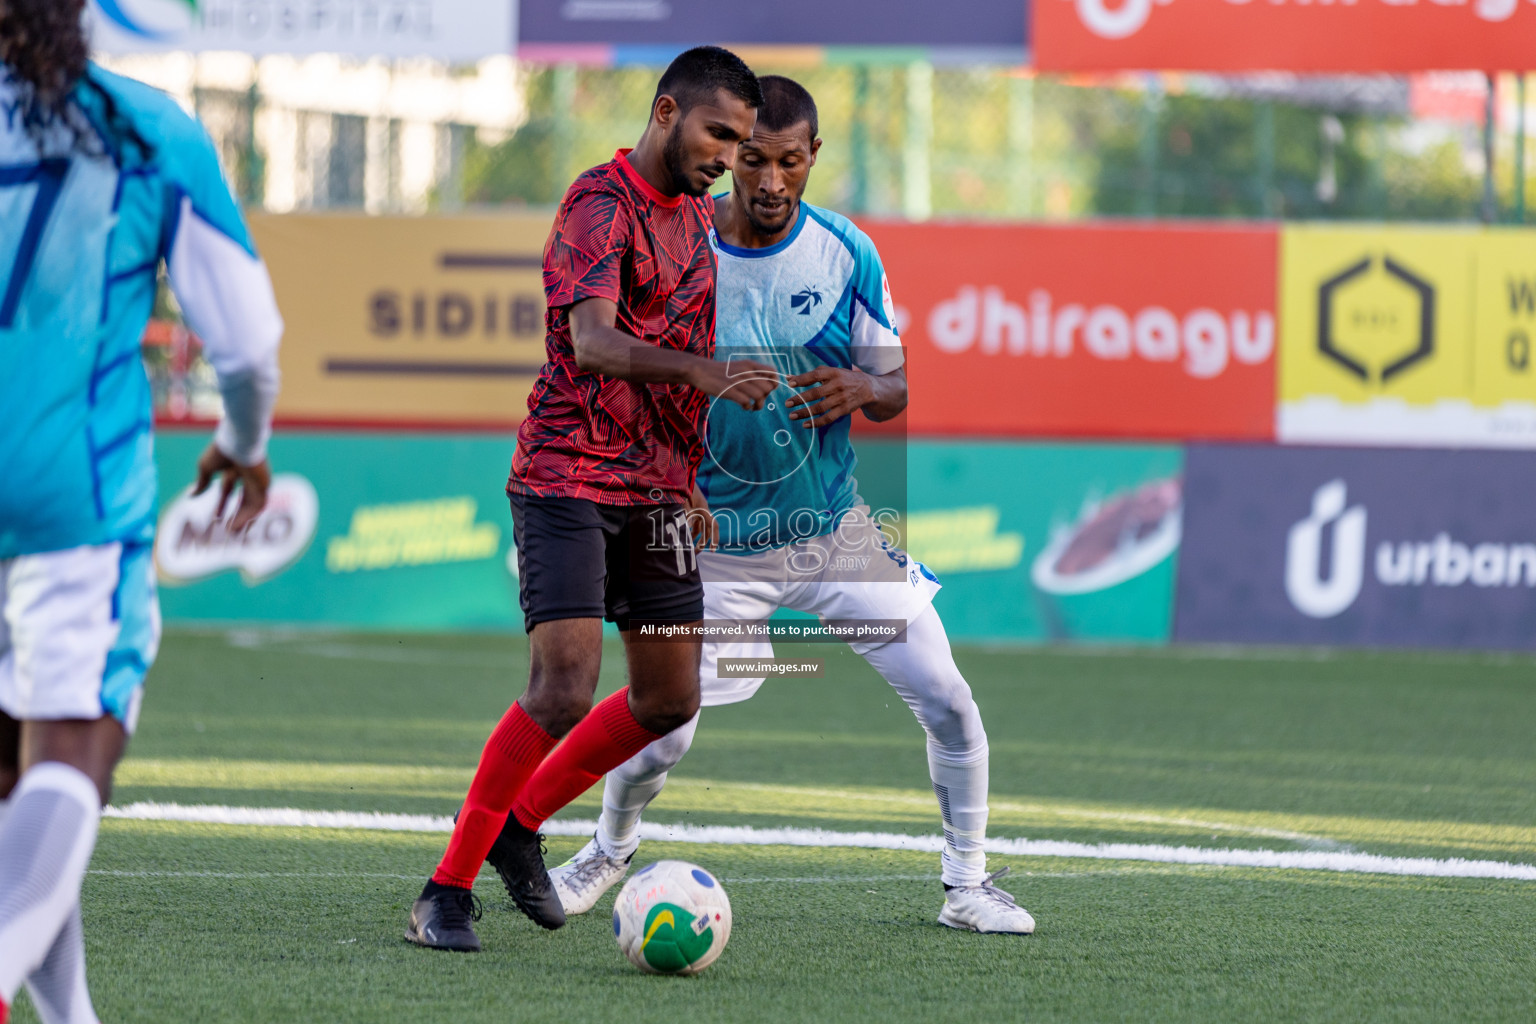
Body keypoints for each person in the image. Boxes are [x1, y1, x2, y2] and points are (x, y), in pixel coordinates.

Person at [545, 76, 1036, 935]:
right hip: (712, 543)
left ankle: (967, 887)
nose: (772, 180)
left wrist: (863, 385)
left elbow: (896, 386)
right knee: (662, 734)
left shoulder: (847, 252)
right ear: (730, 154)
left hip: (831, 534)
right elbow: (629, 372)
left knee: (950, 699)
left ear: (814, 158)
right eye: (754, 159)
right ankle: (604, 853)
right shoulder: (682, 250)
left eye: (790, 161)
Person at [405, 46, 776, 953]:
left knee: (667, 699)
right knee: (563, 685)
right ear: (665, 112)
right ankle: (443, 892)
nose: (729, 156)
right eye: (718, 133)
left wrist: (687, 479)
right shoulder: (596, 204)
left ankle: (518, 826)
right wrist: (707, 371)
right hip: (567, 475)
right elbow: (597, 342)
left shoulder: (695, 223)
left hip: (655, 489)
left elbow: (685, 372)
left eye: (741, 140)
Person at [0, 2, 284, 1020]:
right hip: (65, 496)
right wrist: (244, 443)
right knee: (71, 753)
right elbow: (247, 345)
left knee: (16, 785)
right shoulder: (145, 128)